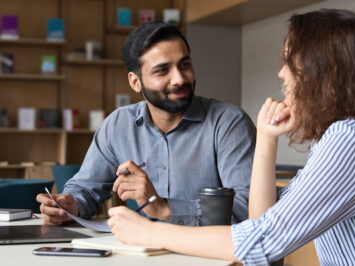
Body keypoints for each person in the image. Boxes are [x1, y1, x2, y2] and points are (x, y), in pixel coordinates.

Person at [106, 9, 355, 265]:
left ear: (323, 70)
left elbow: (261, 243)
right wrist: (267, 138)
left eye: (290, 61)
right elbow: (262, 222)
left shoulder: (351, 140)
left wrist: (149, 231)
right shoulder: (347, 138)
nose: (282, 74)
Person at [36, 21, 256, 226]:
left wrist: (165, 209)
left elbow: (250, 207)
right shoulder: (118, 125)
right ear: (135, 82)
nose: (179, 78)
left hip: (214, 255)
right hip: (144, 252)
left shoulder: (229, 123)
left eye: (185, 64)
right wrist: (69, 204)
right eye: (162, 70)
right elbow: (86, 187)